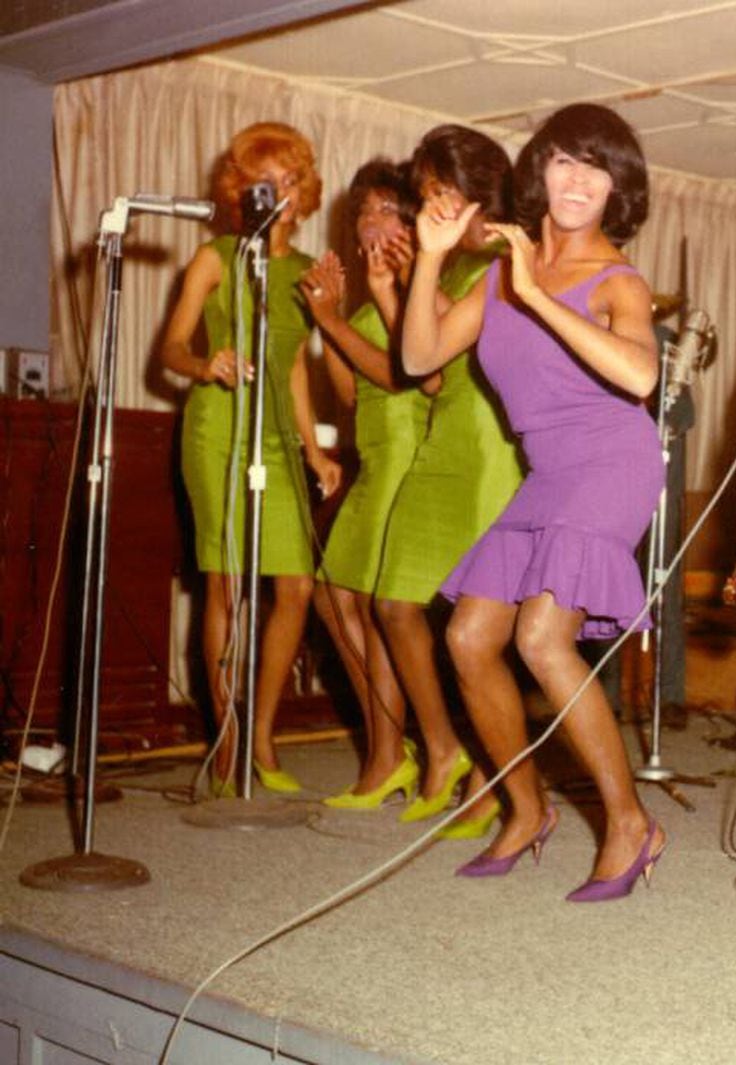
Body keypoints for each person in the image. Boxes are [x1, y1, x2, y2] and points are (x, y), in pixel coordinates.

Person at [403, 103, 666, 901]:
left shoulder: (621, 279)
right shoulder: (496, 274)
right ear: (539, 172)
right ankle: (527, 807)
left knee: (544, 637)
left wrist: (537, 294)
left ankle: (628, 822)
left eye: (598, 166)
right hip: (546, 470)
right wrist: (430, 257)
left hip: (612, 462)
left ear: (617, 188)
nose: (579, 179)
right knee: (468, 636)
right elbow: (419, 355)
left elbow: (640, 377)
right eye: (563, 161)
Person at [157, 121, 341, 795]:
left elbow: (292, 368)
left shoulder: (304, 271)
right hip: (217, 432)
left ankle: (263, 733)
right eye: (267, 184)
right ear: (243, 191)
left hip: (276, 440)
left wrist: (315, 449)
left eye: (291, 182)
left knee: (295, 586)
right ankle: (228, 739)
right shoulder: (216, 257)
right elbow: (170, 350)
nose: (282, 195)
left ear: (306, 189)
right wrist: (208, 363)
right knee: (227, 586)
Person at [371, 126, 524, 836]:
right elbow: (424, 370)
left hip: (492, 446)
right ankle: (442, 747)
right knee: (395, 601)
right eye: (427, 190)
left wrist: (415, 277)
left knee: (480, 633)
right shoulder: (454, 258)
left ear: (478, 189)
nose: (433, 201)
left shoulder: (504, 257)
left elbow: (432, 364)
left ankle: (495, 779)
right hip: (445, 438)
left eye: (444, 187)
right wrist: (402, 278)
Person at [299, 159, 429, 808]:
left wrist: (332, 324)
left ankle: (387, 755)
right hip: (375, 458)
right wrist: (328, 319)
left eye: (383, 209)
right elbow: (351, 396)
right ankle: (389, 749)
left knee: (361, 605)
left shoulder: (412, 287)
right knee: (337, 602)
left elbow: (403, 374)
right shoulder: (375, 291)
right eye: (362, 212)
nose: (368, 222)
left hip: (407, 459)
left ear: (409, 222)